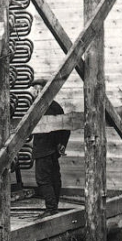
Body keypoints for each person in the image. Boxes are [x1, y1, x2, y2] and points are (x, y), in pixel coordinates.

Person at [31, 79, 71, 215]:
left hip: (43, 151)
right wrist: (62, 144)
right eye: (35, 89)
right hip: (53, 151)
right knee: (54, 178)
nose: (36, 92)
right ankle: (54, 206)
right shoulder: (56, 106)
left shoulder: (38, 107)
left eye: (38, 89)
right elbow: (66, 128)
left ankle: (51, 209)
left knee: (43, 179)